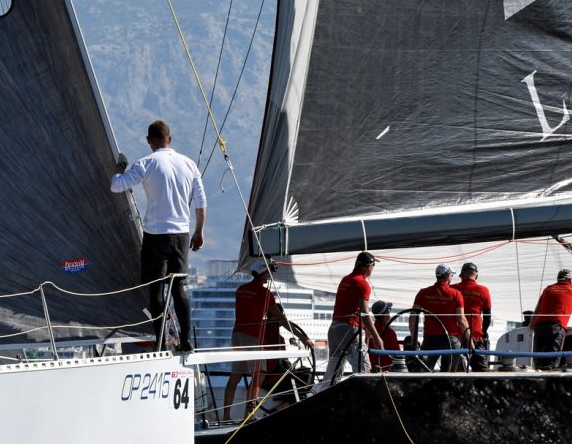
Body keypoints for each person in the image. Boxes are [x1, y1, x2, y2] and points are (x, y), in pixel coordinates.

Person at [110, 120, 205, 352]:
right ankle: (185, 341)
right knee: (179, 287)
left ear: (149, 141)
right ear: (169, 139)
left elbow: (116, 186)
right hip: (181, 235)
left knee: (156, 289)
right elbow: (201, 203)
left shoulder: (146, 163)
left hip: (156, 235)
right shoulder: (189, 164)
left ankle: (161, 342)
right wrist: (199, 232)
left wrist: (119, 169)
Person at [223, 259, 312, 420]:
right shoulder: (265, 294)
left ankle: (226, 416)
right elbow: (281, 319)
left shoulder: (241, 290)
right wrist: (303, 338)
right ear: (262, 272)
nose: (270, 275)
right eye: (268, 272)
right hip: (252, 336)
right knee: (258, 374)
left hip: (237, 334)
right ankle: (248, 416)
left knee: (235, 376)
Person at [323, 251, 384, 381]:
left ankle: (322, 391)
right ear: (368, 266)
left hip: (334, 329)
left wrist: (366, 328)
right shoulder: (362, 283)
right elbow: (364, 312)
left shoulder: (345, 279)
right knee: (363, 370)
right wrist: (377, 337)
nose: (373, 269)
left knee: (333, 374)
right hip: (349, 329)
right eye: (373, 265)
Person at [410, 264, 468, 372]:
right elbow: (461, 319)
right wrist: (470, 340)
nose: (452, 278)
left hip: (430, 339)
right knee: (455, 373)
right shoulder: (456, 294)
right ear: (447, 276)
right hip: (450, 340)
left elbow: (413, 316)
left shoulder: (423, 293)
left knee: (423, 372)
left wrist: (414, 338)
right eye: (451, 275)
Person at [531, 269, 572, 370]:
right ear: (570, 279)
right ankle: (549, 376)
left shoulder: (548, 289)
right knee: (551, 361)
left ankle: (538, 374)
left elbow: (537, 311)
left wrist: (531, 325)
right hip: (556, 326)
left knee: (539, 359)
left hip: (539, 327)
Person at [451, 262, 493, 372]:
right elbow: (487, 316)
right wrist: (483, 332)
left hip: (455, 335)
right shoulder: (484, 290)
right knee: (481, 370)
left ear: (461, 274)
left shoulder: (452, 289)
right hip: (476, 335)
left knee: (453, 369)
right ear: (476, 276)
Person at [368, 300, 406, 372]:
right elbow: (397, 355)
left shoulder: (371, 330)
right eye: (389, 310)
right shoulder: (389, 332)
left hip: (375, 369)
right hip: (389, 370)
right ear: (387, 314)